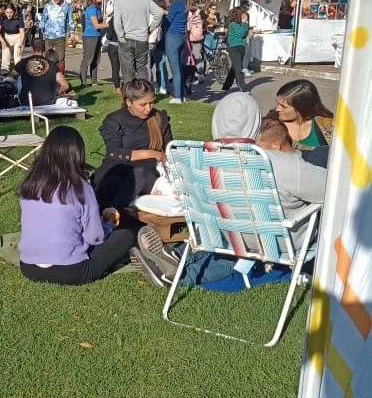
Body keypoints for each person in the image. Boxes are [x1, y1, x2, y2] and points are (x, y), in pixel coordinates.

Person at [132, 95, 327, 289]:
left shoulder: (195, 161)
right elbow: (331, 192)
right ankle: (181, 274)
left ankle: (176, 261)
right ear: (255, 123)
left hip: (223, 234)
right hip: (281, 243)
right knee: (322, 161)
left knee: (230, 239)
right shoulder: (282, 164)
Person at [18, 126, 137, 286]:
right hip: (72, 271)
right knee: (126, 235)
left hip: (28, 267)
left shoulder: (30, 183)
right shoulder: (81, 187)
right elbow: (94, 238)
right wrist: (108, 225)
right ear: (78, 155)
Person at [94, 78, 173, 211]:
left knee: (141, 175)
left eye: (152, 103)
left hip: (150, 171)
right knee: (121, 178)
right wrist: (152, 153)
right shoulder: (115, 121)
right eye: (143, 105)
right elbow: (114, 153)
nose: (148, 108)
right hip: (120, 168)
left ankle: (112, 212)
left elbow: (171, 148)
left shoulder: (159, 118)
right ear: (129, 102)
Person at [113, 0, 164, 85]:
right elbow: (159, 13)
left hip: (127, 38)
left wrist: (121, 37)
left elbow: (117, 23)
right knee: (142, 69)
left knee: (127, 71)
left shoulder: (119, 2)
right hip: (142, 38)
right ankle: (144, 93)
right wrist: (150, 28)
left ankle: (130, 96)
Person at [273, 79, 334, 150]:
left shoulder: (327, 125)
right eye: (278, 104)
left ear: (301, 108)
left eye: (283, 106)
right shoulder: (271, 124)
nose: (277, 109)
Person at [13, 39, 61, 107]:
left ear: (32, 49)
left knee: (19, 78)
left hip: (26, 101)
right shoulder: (52, 64)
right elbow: (65, 85)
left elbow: (11, 76)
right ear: (44, 49)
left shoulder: (23, 62)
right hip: (48, 101)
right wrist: (56, 93)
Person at [164, 0, 189, 104]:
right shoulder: (185, 3)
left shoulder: (176, 3)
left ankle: (177, 96)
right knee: (179, 67)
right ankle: (182, 95)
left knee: (175, 69)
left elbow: (168, 20)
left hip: (172, 36)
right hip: (181, 36)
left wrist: (163, 14)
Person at [39, 0, 72, 70]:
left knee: (60, 59)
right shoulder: (47, 6)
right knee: (47, 58)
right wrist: (42, 33)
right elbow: (43, 20)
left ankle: (60, 77)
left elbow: (70, 21)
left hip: (60, 36)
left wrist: (72, 33)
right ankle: (47, 77)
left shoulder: (67, 6)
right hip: (48, 36)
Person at [81, 0, 108, 85]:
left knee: (96, 59)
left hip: (97, 35)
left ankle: (94, 81)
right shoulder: (91, 9)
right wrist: (107, 25)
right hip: (90, 36)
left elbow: (100, 22)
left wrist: (107, 17)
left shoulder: (98, 8)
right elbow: (96, 25)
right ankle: (83, 82)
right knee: (88, 59)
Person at [221, 6, 250, 92]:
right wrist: (245, 24)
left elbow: (245, 33)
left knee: (235, 67)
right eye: (243, 16)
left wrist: (246, 26)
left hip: (241, 47)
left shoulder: (243, 24)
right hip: (233, 47)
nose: (245, 17)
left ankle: (226, 85)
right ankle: (242, 87)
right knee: (238, 68)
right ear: (238, 16)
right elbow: (241, 33)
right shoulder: (233, 24)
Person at [149, 0, 169, 95]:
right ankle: (162, 85)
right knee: (160, 66)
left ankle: (163, 87)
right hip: (161, 44)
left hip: (159, 44)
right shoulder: (165, 17)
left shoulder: (162, 18)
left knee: (160, 66)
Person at [0, 3, 24, 71]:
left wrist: (20, 45)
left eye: (11, 12)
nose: (9, 14)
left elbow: (22, 33)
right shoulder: (1, 17)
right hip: (6, 38)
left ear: (14, 12)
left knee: (17, 58)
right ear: (4, 12)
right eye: (7, 12)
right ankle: (4, 72)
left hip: (18, 37)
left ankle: (18, 74)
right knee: (5, 57)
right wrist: (2, 41)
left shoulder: (19, 18)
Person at [186, 0, 206, 87]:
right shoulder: (199, 13)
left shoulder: (188, 13)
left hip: (193, 38)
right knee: (195, 57)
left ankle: (200, 75)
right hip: (195, 38)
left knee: (195, 57)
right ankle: (197, 74)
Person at [103, 14, 121, 92]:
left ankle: (117, 87)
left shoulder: (112, 20)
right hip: (123, 45)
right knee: (126, 68)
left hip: (113, 45)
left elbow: (109, 35)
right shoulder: (126, 18)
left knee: (115, 68)